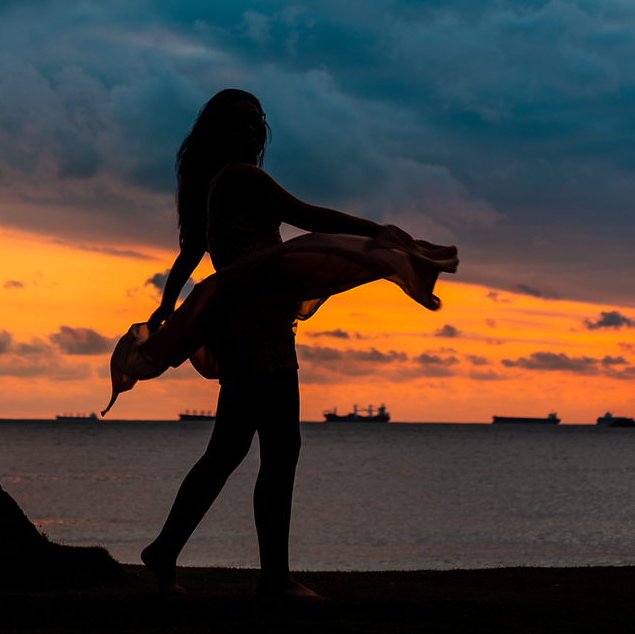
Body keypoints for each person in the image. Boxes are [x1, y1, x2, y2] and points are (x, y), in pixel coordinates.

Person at [130, 89, 458, 601]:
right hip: (258, 329)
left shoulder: (216, 183)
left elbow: (191, 251)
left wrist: (166, 305)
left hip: (244, 326)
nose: (251, 129)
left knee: (228, 451)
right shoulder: (241, 177)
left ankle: (166, 550)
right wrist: (381, 233)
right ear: (218, 132)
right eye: (238, 122)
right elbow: (308, 216)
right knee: (280, 450)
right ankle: (274, 579)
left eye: (256, 120)